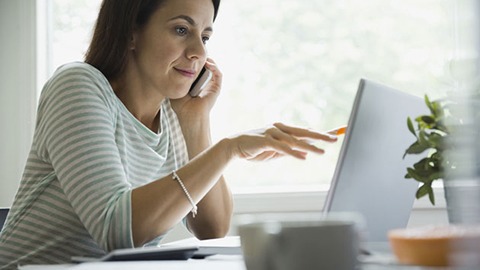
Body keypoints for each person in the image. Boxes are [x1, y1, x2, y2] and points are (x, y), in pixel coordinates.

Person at [0, 0, 337, 267]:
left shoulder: (173, 113)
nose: (199, 52)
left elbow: (212, 229)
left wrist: (196, 123)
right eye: (181, 29)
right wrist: (227, 150)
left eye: (204, 37)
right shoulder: (77, 86)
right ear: (131, 32)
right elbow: (118, 230)